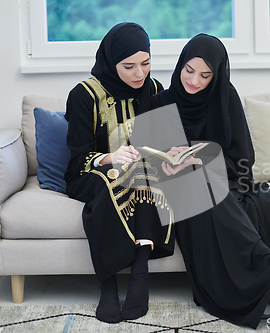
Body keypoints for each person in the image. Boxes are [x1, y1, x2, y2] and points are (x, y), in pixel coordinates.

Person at [151, 34, 270, 329]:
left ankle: (260, 285)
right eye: (189, 70)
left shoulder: (225, 97)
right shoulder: (159, 102)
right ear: (179, 66)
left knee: (208, 181)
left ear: (217, 74)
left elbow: (243, 157)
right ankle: (266, 264)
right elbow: (151, 160)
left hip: (221, 180)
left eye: (205, 75)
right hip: (174, 187)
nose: (194, 81)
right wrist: (167, 162)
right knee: (193, 180)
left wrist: (202, 157)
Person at [64, 22, 173, 324]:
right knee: (108, 180)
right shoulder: (85, 95)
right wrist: (110, 157)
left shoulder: (153, 89)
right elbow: (78, 155)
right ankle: (107, 284)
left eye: (146, 64)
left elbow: (161, 140)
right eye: (129, 66)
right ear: (112, 62)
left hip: (139, 172)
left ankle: (140, 275)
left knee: (147, 174)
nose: (140, 74)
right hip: (91, 173)